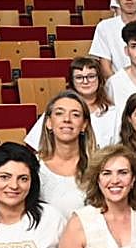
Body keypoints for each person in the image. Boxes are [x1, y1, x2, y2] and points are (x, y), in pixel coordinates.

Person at [26, 58, 117, 149]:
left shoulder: (114, 113)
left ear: (99, 79)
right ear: (72, 81)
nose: (85, 81)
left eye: (91, 76)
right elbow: (37, 146)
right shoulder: (57, 108)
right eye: (79, 77)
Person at [35, 91, 96, 220]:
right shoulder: (34, 166)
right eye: (59, 113)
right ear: (48, 122)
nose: (67, 119)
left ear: (84, 125)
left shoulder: (98, 165)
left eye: (75, 115)